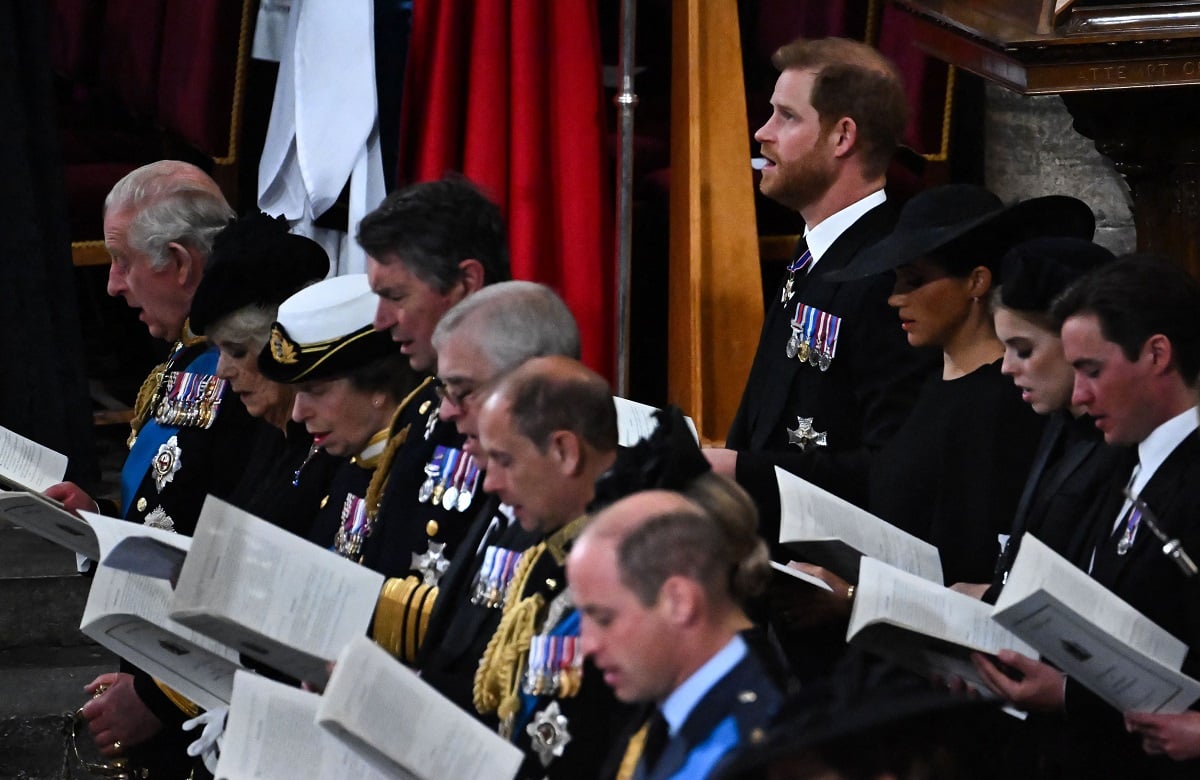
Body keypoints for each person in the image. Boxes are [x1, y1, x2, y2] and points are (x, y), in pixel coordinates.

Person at [46, 160, 257, 779]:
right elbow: (171, 518)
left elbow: (257, 556)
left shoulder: (248, 375)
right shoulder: (181, 364)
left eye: (123, 261)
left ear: (180, 262)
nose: (113, 285)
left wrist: (163, 695)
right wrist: (97, 523)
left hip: (216, 714)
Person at [973, 256, 1200, 779]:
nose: (1078, 395)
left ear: (1156, 354)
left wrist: (1072, 696)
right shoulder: (1127, 463)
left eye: (1092, 371)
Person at [709, 37, 936, 521]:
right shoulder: (818, 245)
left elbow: (888, 469)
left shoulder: (884, 276)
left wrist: (737, 470)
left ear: (842, 137)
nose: (762, 132)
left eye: (786, 117)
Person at [824, 184, 1094, 586]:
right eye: (895, 280)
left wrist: (851, 598)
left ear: (976, 282)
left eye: (914, 280)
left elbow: (975, 558)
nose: (895, 299)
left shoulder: (1005, 401)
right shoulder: (930, 382)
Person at [396, 282, 581, 703]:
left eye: (462, 391)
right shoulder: (504, 497)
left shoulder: (578, 530)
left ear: (535, 384)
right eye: (443, 391)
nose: (445, 411)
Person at [471, 356, 630, 779]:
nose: (490, 482)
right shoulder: (549, 552)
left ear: (564, 451)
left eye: (504, 460)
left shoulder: (637, 566)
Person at [569, 475, 786, 780]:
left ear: (680, 602)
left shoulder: (749, 755)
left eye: (604, 618)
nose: (587, 645)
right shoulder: (671, 705)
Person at [256, 273, 461, 578]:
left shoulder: (430, 464)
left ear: (378, 387)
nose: (298, 414)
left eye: (315, 390)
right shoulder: (344, 463)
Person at [954, 237, 1123, 603]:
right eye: (1005, 349)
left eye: (1024, 350)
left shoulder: (1117, 445)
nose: (1006, 367)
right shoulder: (1058, 423)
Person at [188, 210, 339, 536]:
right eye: (218, 351)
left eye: (238, 351)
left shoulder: (335, 444)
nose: (222, 371)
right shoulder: (265, 431)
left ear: (287, 347)